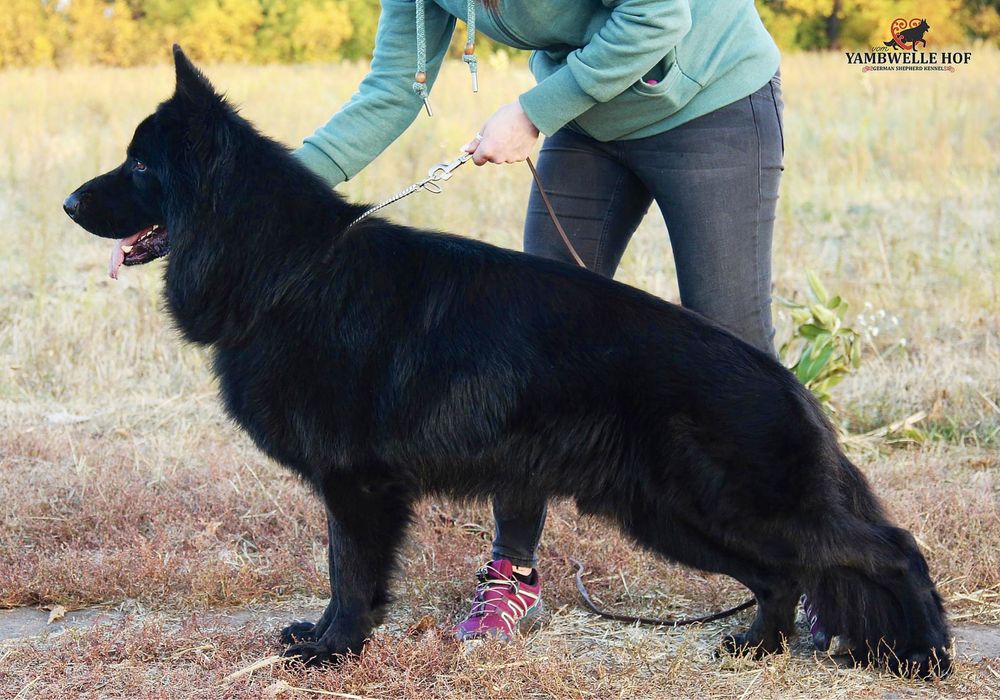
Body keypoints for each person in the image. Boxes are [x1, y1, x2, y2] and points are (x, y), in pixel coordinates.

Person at [296, 0, 788, 643]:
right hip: (589, 114)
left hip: (710, 102)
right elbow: (393, 90)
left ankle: (807, 566)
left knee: (733, 344)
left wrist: (532, 112)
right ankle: (513, 572)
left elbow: (659, 16)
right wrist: (270, 197)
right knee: (528, 350)